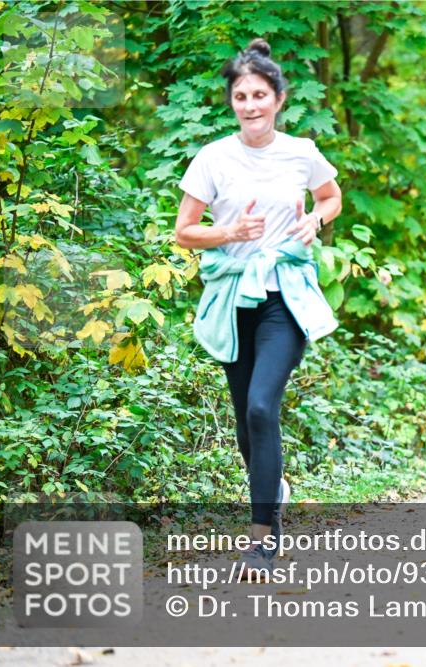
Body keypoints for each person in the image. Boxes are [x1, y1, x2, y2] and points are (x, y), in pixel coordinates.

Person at [174, 38, 343, 572]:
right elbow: (184, 232)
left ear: (279, 97)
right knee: (248, 426)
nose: (251, 105)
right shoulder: (213, 158)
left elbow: (331, 196)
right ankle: (274, 488)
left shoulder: (302, 152)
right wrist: (228, 230)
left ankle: (262, 538)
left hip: (284, 297)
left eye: (260, 95)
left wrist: (316, 220)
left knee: (261, 406)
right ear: (232, 102)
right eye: (241, 96)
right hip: (230, 297)